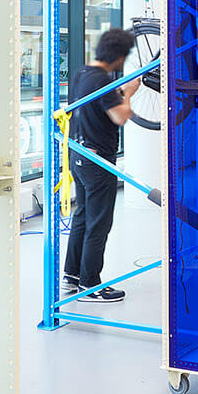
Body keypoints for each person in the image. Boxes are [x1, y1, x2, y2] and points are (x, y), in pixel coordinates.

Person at [63, 27, 139, 303]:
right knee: (99, 223)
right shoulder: (102, 81)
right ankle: (90, 284)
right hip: (97, 161)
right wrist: (128, 93)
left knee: (83, 216)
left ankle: (72, 276)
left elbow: (95, 107)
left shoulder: (82, 74)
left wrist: (117, 93)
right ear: (118, 55)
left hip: (78, 155)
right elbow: (120, 116)